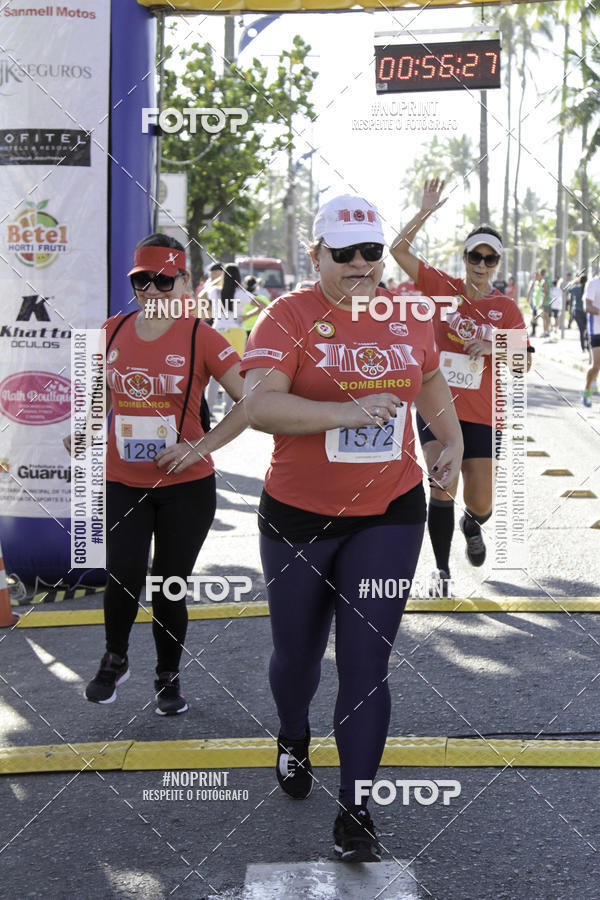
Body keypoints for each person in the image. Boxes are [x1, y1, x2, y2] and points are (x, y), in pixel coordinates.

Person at [241, 193, 463, 862]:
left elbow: (429, 380)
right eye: (345, 254)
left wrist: (446, 440)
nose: (363, 265)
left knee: (366, 665)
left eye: (372, 252)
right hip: (300, 516)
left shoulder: (410, 314)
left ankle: (357, 808)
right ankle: (291, 732)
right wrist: (344, 414)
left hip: (389, 511)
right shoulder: (287, 316)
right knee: (298, 660)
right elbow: (258, 405)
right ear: (317, 256)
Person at [64, 234, 247, 713]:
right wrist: (82, 433)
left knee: (169, 584)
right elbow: (101, 396)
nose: (153, 291)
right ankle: (115, 657)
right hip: (122, 480)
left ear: (185, 281)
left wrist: (197, 447)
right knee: (122, 573)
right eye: (142, 280)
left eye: (164, 280)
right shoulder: (112, 329)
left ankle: (168, 675)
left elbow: (250, 404)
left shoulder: (201, 336)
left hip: (186, 489)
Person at [390, 178, 532, 595]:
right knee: (440, 483)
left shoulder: (505, 309)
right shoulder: (442, 288)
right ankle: (441, 570)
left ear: (498, 265)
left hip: (485, 413)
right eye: (475, 256)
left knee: (481, 501)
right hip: (437, 408)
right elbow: (398, 250)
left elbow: (524, 362)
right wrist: (425, 211)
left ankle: (473, 524)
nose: (482, 265)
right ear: (465, 257)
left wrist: (492, 346)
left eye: (490, 259)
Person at [206, 263, 254, 417]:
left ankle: (209, 409)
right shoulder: (242, 294)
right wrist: (246, 317)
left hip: (218, 331)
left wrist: (217, 280)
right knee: (234, 371)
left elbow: (200, 296)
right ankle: (228, 409)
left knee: (214, 373)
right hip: (237, 331)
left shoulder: (214, 291)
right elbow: (263, 305)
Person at [583, 274, 600, 407]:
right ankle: (587, 390)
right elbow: (587, 307)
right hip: (596, 330)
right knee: (596, 366)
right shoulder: (593, 283)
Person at [568, 275, 588, 353]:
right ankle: (588, 345)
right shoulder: (587, 288)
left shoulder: (577, 288)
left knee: (581, 330)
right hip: (586, 311)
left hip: (578, 311)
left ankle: (583, 347)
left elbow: (569, 290)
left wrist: (574, 282)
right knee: (587, 329)